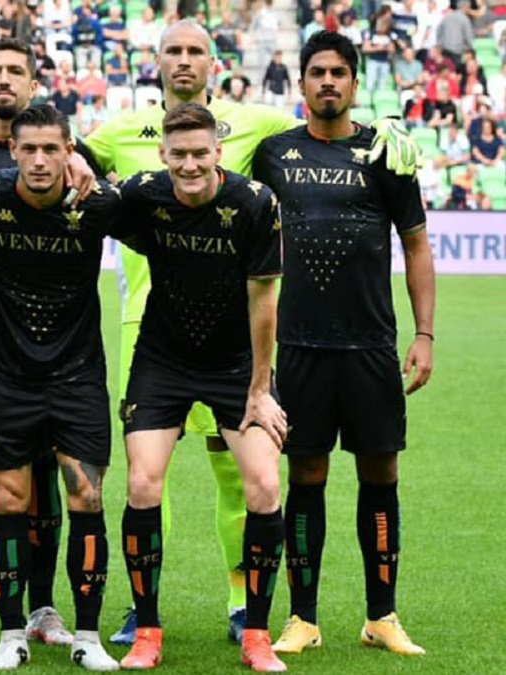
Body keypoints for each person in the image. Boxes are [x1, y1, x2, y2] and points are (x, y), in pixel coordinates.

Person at [83, 19, 421, 647]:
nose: (184, 61)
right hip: (146, 328)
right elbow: (59, 158)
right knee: (145, 476)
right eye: (173, 51)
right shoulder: (119, 129)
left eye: (195, 51)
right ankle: (140, 609)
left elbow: (321, 127)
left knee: (240, 477)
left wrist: (388, 125)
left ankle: (244, 602)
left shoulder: (256, 124)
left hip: (234, 337)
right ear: (155, 60)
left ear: (214, 62)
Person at [252, 30, 434, 659]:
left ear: (355, 83)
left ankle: (381, 615)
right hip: (300, 345)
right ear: (302, 82)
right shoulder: (274, 154)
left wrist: (425, 334)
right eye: (317, 72)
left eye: (338, 72)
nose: (328, 81)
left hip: (370, 345)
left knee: (381, 471)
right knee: (307, 474)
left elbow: (416, 244)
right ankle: (302, 618)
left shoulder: (386, 152)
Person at [0, 37, 102, 649]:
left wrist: (85, 164)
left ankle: (42, 608)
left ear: (34, 85)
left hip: (44, 353)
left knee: (41, 487)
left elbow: (99, 190)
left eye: (16, 71)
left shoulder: (63, 156)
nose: (4, 79)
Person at [114, 102, 288, 673]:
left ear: (218, 152)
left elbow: (264, 301)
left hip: (235, 364)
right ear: (162, 155)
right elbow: (84, 211)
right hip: (162, 359)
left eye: (199, 154)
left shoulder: (254, 203)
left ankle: (257, 633)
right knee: (142, 482)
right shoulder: (142, 195)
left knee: (264, 485)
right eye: (178, 155)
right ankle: (147, 630)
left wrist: (260, 390)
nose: (189, 165)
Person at [0, 105, 121, 671]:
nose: (39, 159)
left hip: (78, 378)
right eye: (28, 148)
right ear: (12, 151)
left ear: (69, 150)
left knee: (87, 499)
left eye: (52, 148)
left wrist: (94, 167)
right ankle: (10, 636)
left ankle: (89, 637)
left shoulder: (98, 204)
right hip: (7, 378)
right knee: (8, 500)